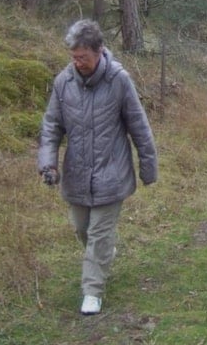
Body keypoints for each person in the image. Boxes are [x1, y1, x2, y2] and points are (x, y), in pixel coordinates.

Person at [38, 19, 159, 316]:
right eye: (74, 57)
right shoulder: (63, 83)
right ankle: (103, 255)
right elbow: (52, 126)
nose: (78, 63)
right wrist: (48, 163)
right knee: (82, 228)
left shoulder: (119, 80)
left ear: (99, 51)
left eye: (84, 58)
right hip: (77, 174)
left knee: (100, 232)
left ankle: (92, 291)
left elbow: (138, 125)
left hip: (112, 172)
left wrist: (148, 166)